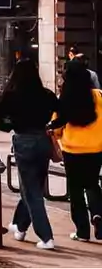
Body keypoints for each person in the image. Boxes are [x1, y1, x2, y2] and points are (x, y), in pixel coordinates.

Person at [0, 57, 57, 250]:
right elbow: (63, 112)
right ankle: (20, 226)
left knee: (31, 191)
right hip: (43, 140)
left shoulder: (12, 95)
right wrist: (51, 125)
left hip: (24, 140)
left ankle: (46, 237)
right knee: (33, 186)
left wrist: (13, 125)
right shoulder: (46, 94)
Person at [50, 59, 102, 242]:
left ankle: (82, 231)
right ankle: (98, 215)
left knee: (75, 189)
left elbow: (56, 129)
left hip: (72, 149)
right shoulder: (99, 96)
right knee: (93, 184)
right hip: (97, 148)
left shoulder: (64, 99)